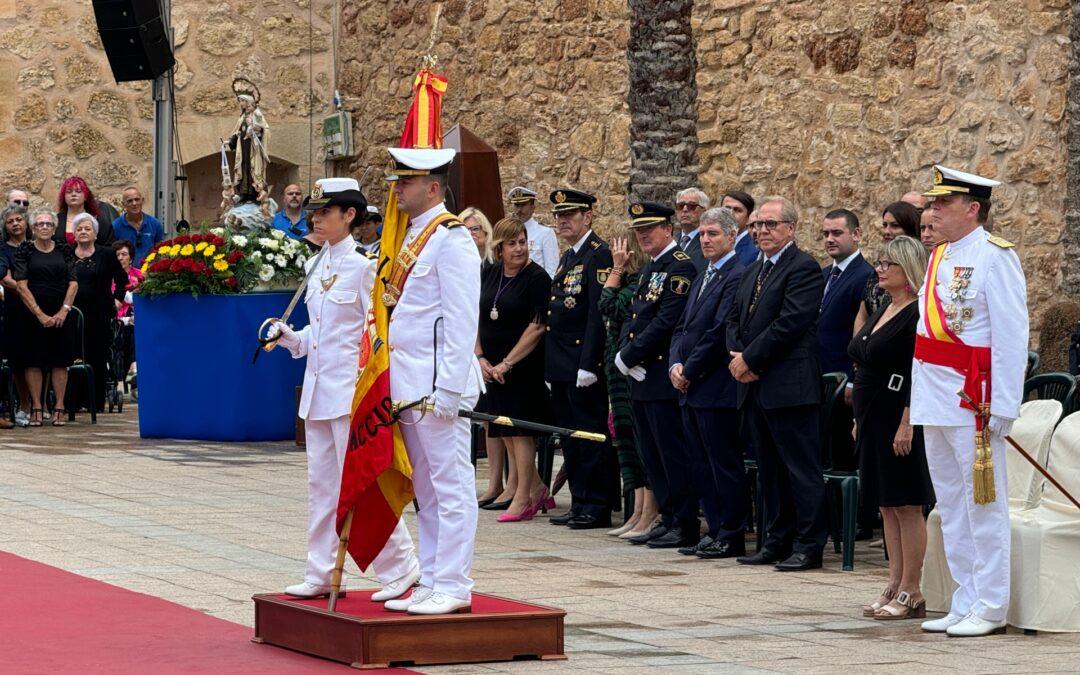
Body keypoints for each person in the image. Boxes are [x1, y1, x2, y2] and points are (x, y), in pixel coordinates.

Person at [270, 177, 418, 602]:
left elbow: (370, 333)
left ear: (349, 216)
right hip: (318, 390)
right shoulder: (316, 265)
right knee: (322, 486)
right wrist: (291, 338)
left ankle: (401, 566)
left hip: (350, 392)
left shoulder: (364, 267)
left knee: (363, 481)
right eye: (314, 212)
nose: (316, 218)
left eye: (325, 211)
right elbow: (323, 330)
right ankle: (319, 570)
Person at [912, 165, 1028, 637]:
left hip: (972, 397)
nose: (932, 210)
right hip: (934, 394)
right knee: (951, 504)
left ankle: (992, 604)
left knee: (984, 504)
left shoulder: (995, 257)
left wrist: (1004, 404)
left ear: (973, 208)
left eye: (943, 203)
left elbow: (1011, 333)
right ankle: (964, 596)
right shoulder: (940, 255)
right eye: (932, 202)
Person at [380, 147, 483, 615]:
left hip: (438, 386)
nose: (397, 188)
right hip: (410, 383)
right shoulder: (415, 235)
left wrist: (447, 388)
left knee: (451, 483)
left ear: (434, 187)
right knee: (426, 487)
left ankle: (456, 583)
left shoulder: (452, 237)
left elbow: (461, 320)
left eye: (406, 181)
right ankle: (434, 576)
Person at [727, 196, 827, 571]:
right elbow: (734, 319)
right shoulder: (753, 270)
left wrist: (750, 360)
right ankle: (776, 539)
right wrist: (737, 357)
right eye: (756, 226)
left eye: (770, 224)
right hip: (754, 386)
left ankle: (809, 544)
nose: (761, 231)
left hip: (789, 386)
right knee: (769, 470)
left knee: (800, 469)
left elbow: (791, 322)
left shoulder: (803, 268)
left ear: (791, 228)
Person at [849, 235, 934, 620]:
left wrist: (907, 421)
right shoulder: (884, 305)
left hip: (897, 415)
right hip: (871, 414)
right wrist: (857, 418)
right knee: (886, 503)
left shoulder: (917, 313)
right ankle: (894, 579)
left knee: (906, 502)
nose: (880, 270)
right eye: (879, 264)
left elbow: (917, 371)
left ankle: (912, 588)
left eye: (888, 265)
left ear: (908, 269)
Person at [616, 201, 699, 549]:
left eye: (650, 228)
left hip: (659, 372)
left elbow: (667, 321)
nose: (643, 235)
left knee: (671, 452)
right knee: (651, 452)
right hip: (640, 375)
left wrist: (630, 355)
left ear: (668, 229)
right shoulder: (653, 267)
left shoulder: (679, 267)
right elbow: (636, 316)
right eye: (639, 230)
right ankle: (667, 516)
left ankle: (684, 521)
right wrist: (623, 354)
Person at [670, 206, 748, 558]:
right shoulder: (704, 275)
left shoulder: (736, 273)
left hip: (715, 385)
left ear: (732, 236)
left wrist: (689, 371)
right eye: (702, 234)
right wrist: (674, 362)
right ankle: (714, 528)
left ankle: (731, 532)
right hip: (690, 385)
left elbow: (718, 333)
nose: (706, 240)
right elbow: (682, 326)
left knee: (723, 464)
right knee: (699, 463)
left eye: (713, 234)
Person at [545, 188, 619, 530]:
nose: (563, 221)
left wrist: (590, 363)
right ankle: (580, 500)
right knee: (569, 436)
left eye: (570, 215)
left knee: (589, 435)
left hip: (582, 363)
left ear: (587, 217)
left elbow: (596, 315)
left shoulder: (597, 254)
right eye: (559, 216)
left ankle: (597, 504)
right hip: (562, 362)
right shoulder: (568, 257)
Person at [475, 216, 554, 522]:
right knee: (503, 429)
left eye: (523, 242)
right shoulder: (492, 274)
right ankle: (536, 487)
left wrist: (507, 362)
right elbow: (476, 315)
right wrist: (481, 358)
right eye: (512, 243)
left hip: (521, 366)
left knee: (520, 430)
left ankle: (523, 497)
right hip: (492, 365)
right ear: (499, 248)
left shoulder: (536, 278)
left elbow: (537, 326)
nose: (519, 248)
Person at [599, 234, 653, 538]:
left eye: (618, 247)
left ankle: (649, 512)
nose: (614, 252)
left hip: (631, 370)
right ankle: (637, 510)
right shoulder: (633, 280)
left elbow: (608, 305)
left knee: (638, 441)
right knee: (626, 444)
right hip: (616, 369)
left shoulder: (635, 281)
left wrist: (616, 270)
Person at [818, 209, 874, 470]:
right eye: (826, 233)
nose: (830, 239)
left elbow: (866, 333)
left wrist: (853, 379)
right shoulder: (825, 274)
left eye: (837, 233)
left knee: (844, 458)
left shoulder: (866, 276)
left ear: (857, 234)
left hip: (846, 384)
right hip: (821, 381)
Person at [13, 209, 77, 427]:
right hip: (33, 313)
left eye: (48, 224)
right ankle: (37, 407)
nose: (44, 227)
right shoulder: (25, 250)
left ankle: (59, 406)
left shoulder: (64, 249)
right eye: (40, 224)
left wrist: (64, 310)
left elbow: (73, 282)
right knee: (33, 361)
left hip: (61, 312)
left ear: (54, 227)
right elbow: (21, 285)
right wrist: (39, 314)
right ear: (33, 227)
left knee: (60, 360)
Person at [69, 213, 127, 414]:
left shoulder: (106, 254)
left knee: (97, 356)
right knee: (74, 356)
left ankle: (95, 400)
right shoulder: (67, 254)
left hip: (100, 312)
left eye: (87, 229)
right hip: (73, 314)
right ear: (74, 234)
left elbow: (122, 279)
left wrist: (118, 299)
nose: (83, 232)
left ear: (95, 234)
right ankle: (74, 401)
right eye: (79, 229)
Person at [854, 201, 922, 335]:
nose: (886, 231)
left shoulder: (919, 267)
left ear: (909, 228)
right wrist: (858, 347)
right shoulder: (878, 270)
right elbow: (863, 313)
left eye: (894, 226)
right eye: (884, 225)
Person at [0, 205, 30, 428]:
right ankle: (24, 404)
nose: (15, 224)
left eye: (19, 219)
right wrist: (27, 291)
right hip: (15, 309)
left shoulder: (37, 247)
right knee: (18, 360)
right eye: (10, 221)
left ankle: (41, 406)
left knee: (40, 358)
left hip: (42, 308)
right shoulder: (3, 250)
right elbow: (4, 277)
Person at [508, 186, 559, 277]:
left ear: (533, 207)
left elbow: (552, 270)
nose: (519, 210)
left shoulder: (545, 233)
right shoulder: (508, 233)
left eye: (523, 205)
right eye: (517, 205)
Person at [111, 186, 164, 267]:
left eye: (137, 199)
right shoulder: (115, 226)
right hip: (126, 274)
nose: (134, 203)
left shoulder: (155, 224)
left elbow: (160, 252)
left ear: (142, 200)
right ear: (123, 204)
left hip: (150, 274)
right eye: (129, 201)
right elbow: (113, 254)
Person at [55, 176, 115, 247]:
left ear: (86, 196)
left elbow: (109, 246)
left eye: (78, 191)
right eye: (69, 192)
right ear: (64, 197)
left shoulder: (98, 219)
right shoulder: (56, 220)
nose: (73, 194)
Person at [673, 187, 708, 272]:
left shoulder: (707, 241)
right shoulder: (672, 240)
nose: (685, 210)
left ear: (704, 211)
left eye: (691, 206)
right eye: (680, 206)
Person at [722, 191, 758, 265]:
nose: (730, 214)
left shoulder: (753, 251)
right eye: (727, 209)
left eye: (737, 210)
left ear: (748, 217)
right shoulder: (709, 242)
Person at [112, 240, 143, 320]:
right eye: (117, 255)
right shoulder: (106, 276)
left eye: (124, 254)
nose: (120, 258)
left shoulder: (140, 275)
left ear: (131, 259)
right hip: (114, 320)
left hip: (138, 317)